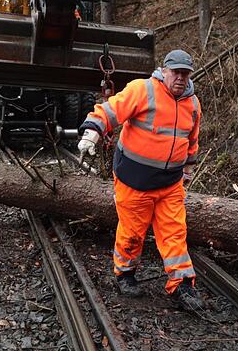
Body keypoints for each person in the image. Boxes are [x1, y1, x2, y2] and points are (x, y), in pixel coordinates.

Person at [78, 49, 204, 311]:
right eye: (176, 72)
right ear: (164, 71)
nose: (180, 78)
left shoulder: (192, 105)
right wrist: (93, 130)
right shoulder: (142, 90)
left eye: (185, 73)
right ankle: (125, 274)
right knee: (133, 232)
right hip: (134, 180)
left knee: (174, 233)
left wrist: (189, 167)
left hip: (170, 183)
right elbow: (111, 110)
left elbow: (191, 140)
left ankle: (181, 284)